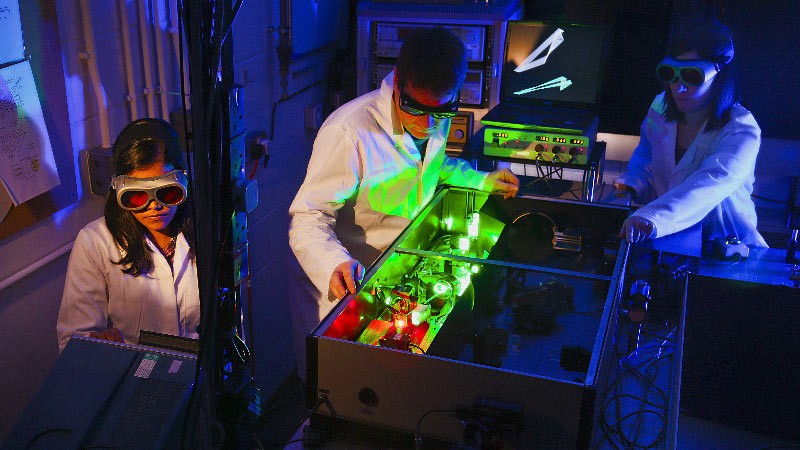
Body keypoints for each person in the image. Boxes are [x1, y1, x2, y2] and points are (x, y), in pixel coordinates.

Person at [288, 26, 519, 377]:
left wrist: (481, 180)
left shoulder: (432, 115)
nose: (427, 124)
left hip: (397, 278)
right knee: (334, 396)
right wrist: (334, 263)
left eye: (441, 111)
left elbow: (431, 169)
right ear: (396, 81)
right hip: (345, 288)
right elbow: (307, 218)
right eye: (416, 108)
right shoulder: (349, 131)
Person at [614, 21, 767, 247]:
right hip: (671, 240)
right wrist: (633, 183)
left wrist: (652, 217)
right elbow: (647, 155)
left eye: (692, 76)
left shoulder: (741, 129)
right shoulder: (660, 106)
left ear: (719, 76)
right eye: (670, 74)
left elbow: (709, 184)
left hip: (724, 247)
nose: (679, 88)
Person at [57, 119, 200, 352]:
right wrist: (104, 349)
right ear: (119, 192)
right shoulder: (95, 243)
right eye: (137, 197)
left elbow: (231, 320)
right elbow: (74, 343)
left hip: (203, 371)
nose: (154, 207)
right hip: (135, 374)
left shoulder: (207, 227)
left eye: (167, 193)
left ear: (182, 182)